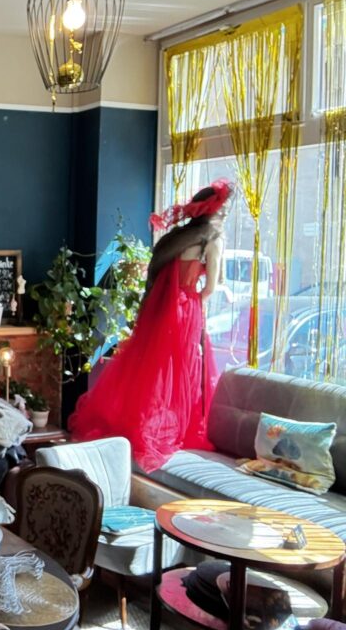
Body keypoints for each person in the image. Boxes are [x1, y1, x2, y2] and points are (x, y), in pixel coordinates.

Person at [67, 178, 233, 472]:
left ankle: (141, 423)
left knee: (153, 371)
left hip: (161, 311)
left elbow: (159, 278)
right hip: (186, 310)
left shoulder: (176, 238)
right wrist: (197, 300)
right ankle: (173, 427)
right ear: (217, 211)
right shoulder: (212, 238)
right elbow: (210, 288)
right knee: (184, 372)